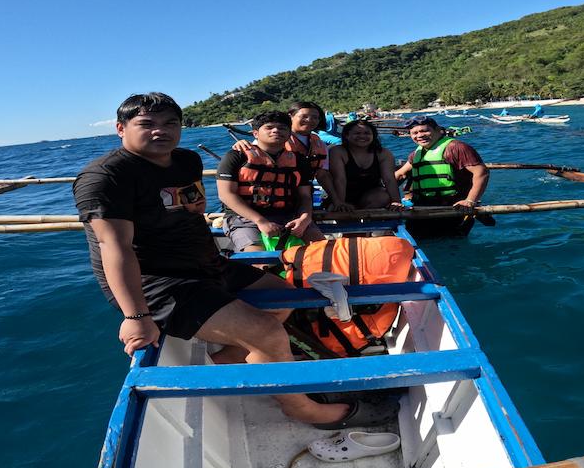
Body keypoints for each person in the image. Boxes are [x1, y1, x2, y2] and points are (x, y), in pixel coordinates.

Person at [73, 93, 376, 428]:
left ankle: (226, 361)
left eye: (170, 123)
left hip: (206, 264)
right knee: (268, 331)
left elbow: (193, 208)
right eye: (146, 124)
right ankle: (303, 409)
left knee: (282, 295)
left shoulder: (185, 161)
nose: (160, 131)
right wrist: (135, 315)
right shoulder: (105, 177)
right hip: (157, 281)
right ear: (120, 128)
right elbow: (114, 247)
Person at [217, 111, 325, 252]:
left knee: (323, 251)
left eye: (282, 128)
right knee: (259, 260)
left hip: (289, 216)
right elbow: (226, 195)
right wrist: (260, 221)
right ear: (255, 133)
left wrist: (305, 218)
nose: (276, 131)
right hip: (244, 219)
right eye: (269, 127)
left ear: (289, 133)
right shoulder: (236, 156)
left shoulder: (299, 161)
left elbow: (305, 196)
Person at [393, 116, 489, 236]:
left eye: (424, 131)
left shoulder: (456, 148)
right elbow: (400, 174)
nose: (420, 135)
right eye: (414, 133)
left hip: (453, 207)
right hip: (423, 206)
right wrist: (387, 197)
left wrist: (470, 201)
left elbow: (481, 172)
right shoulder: (416, 153)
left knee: (449, 243)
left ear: (438, 130)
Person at [232, 101, 340, 207]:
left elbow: (322, 174)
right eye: (304, 116)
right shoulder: (276, 138)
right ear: (291, 117)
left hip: (304, 193)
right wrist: (241, 143)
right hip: (270, 196)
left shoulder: (319, 143)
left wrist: (336, 200)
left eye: (315, 117)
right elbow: (255, 152)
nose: (309, 120)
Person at [327, 120, 404, 211]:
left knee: (383, 196)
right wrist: (340, 203)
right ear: (347, 135)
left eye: (367, 133)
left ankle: (366, 220)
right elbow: (339, 179)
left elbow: (389, 179)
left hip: (370, 196)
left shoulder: (383, 153)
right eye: (357, 133)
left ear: (373, 136)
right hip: (341, 195)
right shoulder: (338, 151)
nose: (362, 136)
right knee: (340, 210)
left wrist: (396, 201)